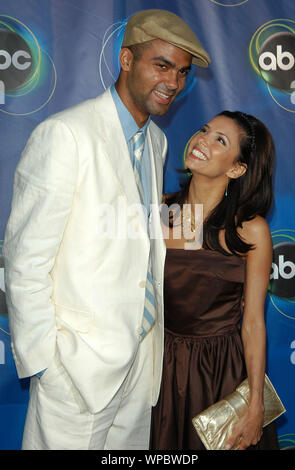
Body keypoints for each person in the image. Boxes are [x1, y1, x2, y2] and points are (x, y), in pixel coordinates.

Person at [3, 9, 210, 450]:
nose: (173, 82)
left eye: (182, 72)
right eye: (162, 65)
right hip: (77, 369)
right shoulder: (65, 134)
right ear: (126, 60)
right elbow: (24, 261)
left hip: (139, 365)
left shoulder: (157, 141)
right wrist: (49, 365)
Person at [150, 110, 280, 450]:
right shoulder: (158, 210)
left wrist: (254, 405)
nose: (201, 141)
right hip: (156, 370)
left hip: (218, 373)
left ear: (237, 169)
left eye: (219, 140)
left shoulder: (250, 230)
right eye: (204, 130)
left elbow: (252, 323)